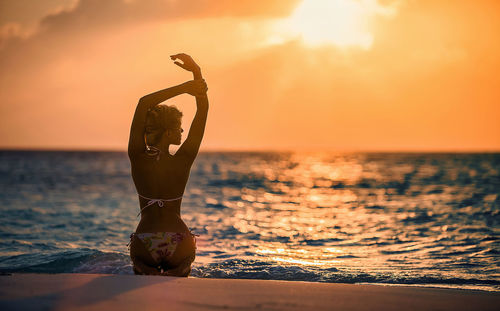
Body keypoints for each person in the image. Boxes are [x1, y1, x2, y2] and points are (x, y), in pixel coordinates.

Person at [127, 53, 208, 276]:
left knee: (142, 272)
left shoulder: (137, 156)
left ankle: (145, 268)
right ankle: (180, 269)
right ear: (169, 131)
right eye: (179, 127)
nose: (182, 131)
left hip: (145, 241)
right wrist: (196, 74)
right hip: (179, 241)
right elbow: (202, 114)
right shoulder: (183, 159)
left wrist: (184, 87)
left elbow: (144, 103)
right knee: (182, 268)